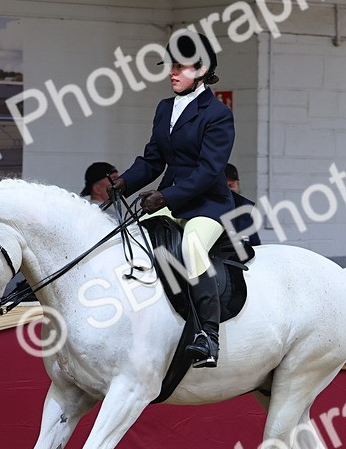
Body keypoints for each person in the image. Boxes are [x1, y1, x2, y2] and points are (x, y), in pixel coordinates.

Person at [109, 31, 234, 368]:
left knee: (192, 248)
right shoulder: (165, 108)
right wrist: (125, 182)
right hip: (167, 200)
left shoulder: (217, 114)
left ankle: (207, 336)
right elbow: (153, 160)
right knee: (128, 240)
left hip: (207, 204)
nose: (173, 73)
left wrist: (165, 195)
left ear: (203, 70)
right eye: (171, 66)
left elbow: (209, 171)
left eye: (181, 67)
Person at [224, 163, 261, 248]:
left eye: (231, 185)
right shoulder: (211, 214)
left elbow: (257, 248)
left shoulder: (245, 215)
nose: (229, 190)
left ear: (238, 185)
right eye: (225, 186)